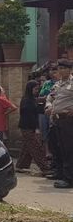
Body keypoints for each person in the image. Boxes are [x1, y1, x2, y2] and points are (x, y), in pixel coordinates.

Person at [45, 59, 73, 188]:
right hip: (56, 120)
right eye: (60, 68)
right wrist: (48, 106)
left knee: (68, 149)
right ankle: (61, 173)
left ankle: (69, 178)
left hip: (68, 120)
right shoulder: (58, 84)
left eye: (64, 68)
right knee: (58, 148)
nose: (61, 70)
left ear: (70, 69)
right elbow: (50, 97)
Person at [16, 80, 49, 174]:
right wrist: (36, 129)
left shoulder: (29, 99)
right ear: (30, 89)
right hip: (27, 127)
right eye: (35, 89)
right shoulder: (27, 101)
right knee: (36, 147)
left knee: (27, 147)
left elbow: (36, 101)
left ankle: (20, 165)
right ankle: (45, 167)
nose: (37, 91)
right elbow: (30, 115)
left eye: (38, 89)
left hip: (28, 127)